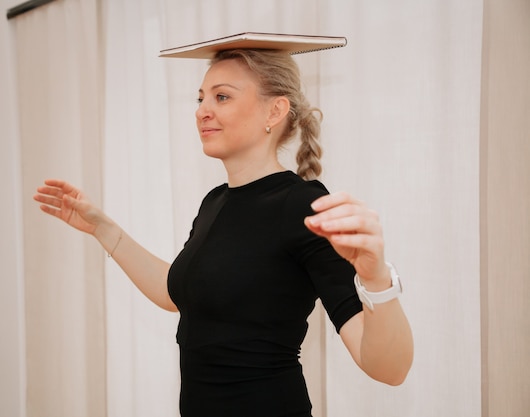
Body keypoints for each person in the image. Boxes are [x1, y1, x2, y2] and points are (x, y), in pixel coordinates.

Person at [34, 45, 413, 417]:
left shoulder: (302, 205)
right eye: (200, 98)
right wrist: (105, 230)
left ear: (275, 110)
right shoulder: (215, 201)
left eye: (222, 97)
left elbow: (387, 368)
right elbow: (179, 292)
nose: (203, 111)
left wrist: (376, 277)